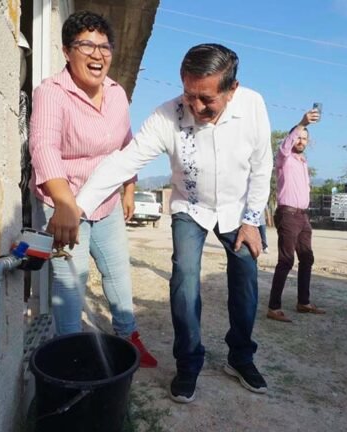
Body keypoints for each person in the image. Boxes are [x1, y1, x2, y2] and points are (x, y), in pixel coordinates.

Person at [69, 43, 273, 403]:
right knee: (184, 282)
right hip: (190, 206)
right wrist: (77, 207)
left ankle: (241, 358)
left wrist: (252, 220)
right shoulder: (167, 116)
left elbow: (262, 165)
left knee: (244, 284)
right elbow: (124, 162)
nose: (195, 107)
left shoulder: (253, 105)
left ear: (232, 90)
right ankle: (189, 364)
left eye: (206, 99)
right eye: (188, 94)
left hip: (239, 209)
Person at [28, 10, 156, 367]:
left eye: (105, 46)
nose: (98, 54)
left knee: (118, 275)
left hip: (106, 202)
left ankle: (129, 337)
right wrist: (65, 204)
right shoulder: (52, 92)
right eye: (87, 45)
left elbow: (127, 145)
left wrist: (129, 188)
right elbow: (44, 147)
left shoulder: (117, 93)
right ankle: (70, 355)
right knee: (70, 286)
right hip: (65, 204)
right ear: (68, 51)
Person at [266, 109, 325, 323]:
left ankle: (303, 302)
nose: (301, 140)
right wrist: (302, 122)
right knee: (286, 260)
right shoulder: (285, 158)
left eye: (305, 138)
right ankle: (274, 307)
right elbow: (283, 147)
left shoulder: (302, 162)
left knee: (307, 258)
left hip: (303, 216)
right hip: (288, 214)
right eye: (298, 136)